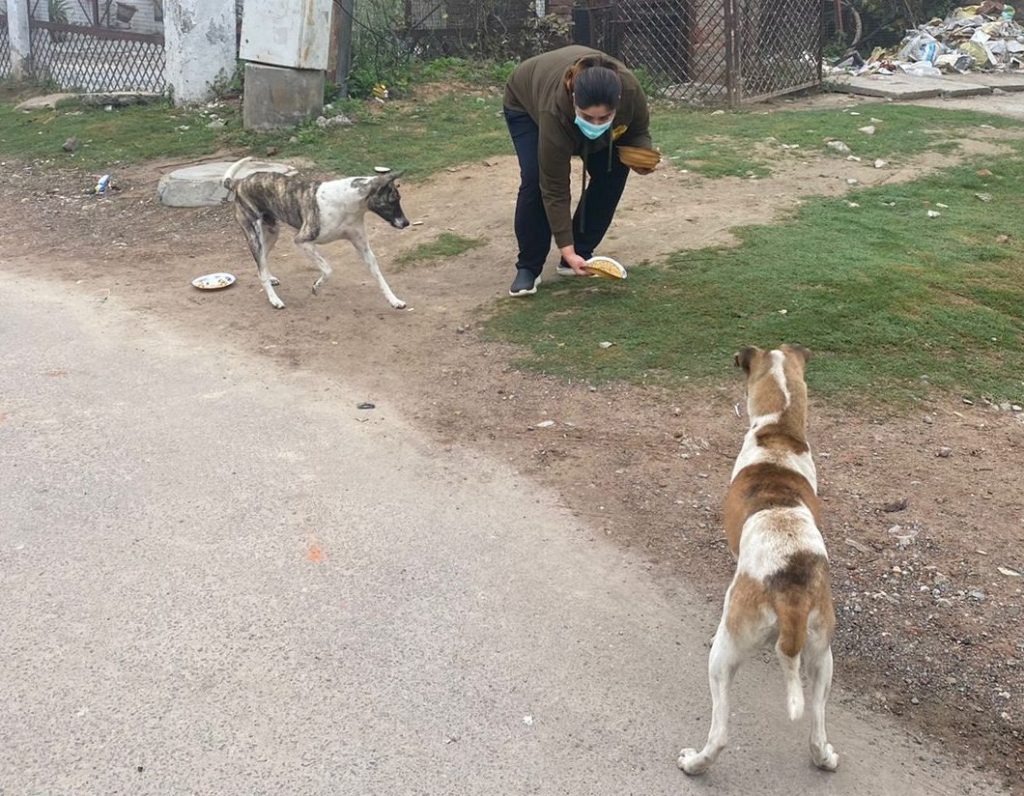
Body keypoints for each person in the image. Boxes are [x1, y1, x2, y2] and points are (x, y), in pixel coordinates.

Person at [503, 45, 655, 297]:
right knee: (535, 178)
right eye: (587, 117)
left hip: (573, 107)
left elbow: (638, 130)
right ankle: (529, 267)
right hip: (525, 102)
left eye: (604, 118)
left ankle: (582, 252)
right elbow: (554, 187)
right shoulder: (553, 109)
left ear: (618, 103)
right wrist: (565, 246)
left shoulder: (630, 91)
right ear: (574, 98)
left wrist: (642, 154)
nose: (595, 124)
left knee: (614, 170)